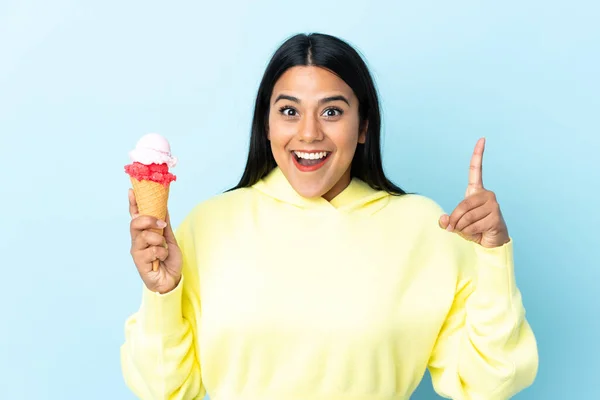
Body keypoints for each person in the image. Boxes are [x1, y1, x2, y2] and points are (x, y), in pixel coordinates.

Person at [120, 33, 538, 400]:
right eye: (289, 111)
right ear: (266, 124)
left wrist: (493, 256)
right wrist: (162, 295)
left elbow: (490, 383)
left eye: (332, 112)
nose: (308, 133)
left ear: (363, 127)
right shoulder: (208, 224)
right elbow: (165, 389)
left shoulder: (427, 228)